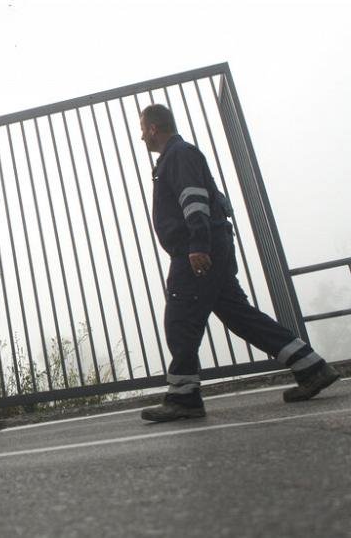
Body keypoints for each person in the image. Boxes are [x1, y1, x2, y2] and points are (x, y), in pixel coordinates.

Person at [138, 104, 340, 423]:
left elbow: (193, 198)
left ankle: (183, 397)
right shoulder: (179, 155)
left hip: (196, 248)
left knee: (180, 318)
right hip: (210, 244)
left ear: (152, 128)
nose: (141, 137)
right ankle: (311, 366)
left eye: (142, 129)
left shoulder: (178, 154)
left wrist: (198, 244)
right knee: (240, 316)